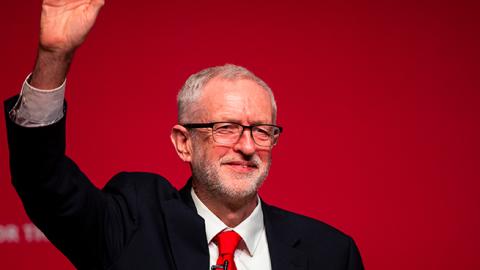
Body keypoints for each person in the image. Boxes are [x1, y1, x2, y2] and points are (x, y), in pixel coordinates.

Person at [5, 0, 364, 269]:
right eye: (226, 128)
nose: (247, 146)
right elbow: (44, 182)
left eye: (261, 131)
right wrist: (54, 56)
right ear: (183, 143)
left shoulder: (331, 253)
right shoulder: (133, 225)